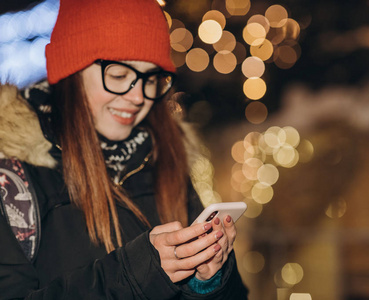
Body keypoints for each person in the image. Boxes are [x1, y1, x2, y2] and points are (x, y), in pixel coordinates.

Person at [0, 0, 248, 299]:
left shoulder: (164, 154)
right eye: (118, 76)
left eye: (150, 79)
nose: (137, 97)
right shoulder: (13, 176)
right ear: (70, 71)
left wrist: (208, 281)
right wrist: (136, 273)